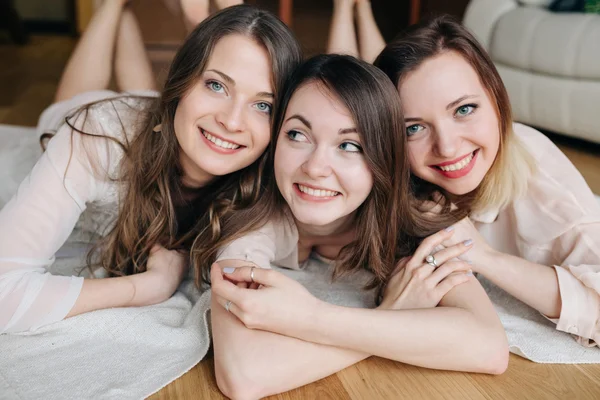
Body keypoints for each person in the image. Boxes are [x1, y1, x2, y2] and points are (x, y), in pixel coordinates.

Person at [205, 54, 508, 400]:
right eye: (297, 135)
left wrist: (313, 318)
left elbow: (488, 345)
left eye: (349, 146)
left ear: (384, 160)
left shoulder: (416, 213)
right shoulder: (250, 214)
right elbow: (244, 377)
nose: (316, 167)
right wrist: (391, 315)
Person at [0, 2, 302, 334]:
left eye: (262, 105)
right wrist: (149, 286)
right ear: (181, 81)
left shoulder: (268, 181)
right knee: (70, 104)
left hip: (158, 121)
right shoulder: (96, 137)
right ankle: (112, 6)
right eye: (216, 85)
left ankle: (133, 18)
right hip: (98, 122)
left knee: (149, 105)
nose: (231, 121)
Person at [373, 15, 600, 347]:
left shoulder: (550, 196)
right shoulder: (403, 174)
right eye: (414, 128)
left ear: (497, 99)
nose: (447, 147)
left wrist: (483, 257)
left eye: (464, 110)